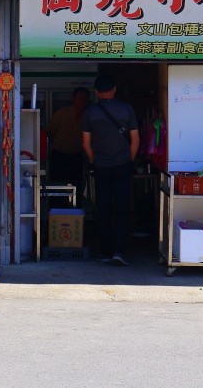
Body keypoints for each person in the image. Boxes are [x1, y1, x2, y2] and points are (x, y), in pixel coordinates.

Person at [82, 74, 139, 266]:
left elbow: (86, 143)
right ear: (114, 89)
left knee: (103, 208)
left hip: (101, 166)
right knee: (122, 208)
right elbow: (135, 140)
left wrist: (94, 160)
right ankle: (120, 250)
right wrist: (128, 160)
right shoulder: (126, 109)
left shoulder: (91, 112)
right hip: (122, 165)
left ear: (97, 92)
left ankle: (104, 251)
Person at [45, 86, 90, 196]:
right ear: (74, 98)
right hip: (59, 156)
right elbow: (49, 132)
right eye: (80, 97)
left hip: (77, 157)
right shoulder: (61, 113)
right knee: (57, 188)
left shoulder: (88, 116)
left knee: (77, 187)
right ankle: (55, 211)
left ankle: (75, 211)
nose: (82, 100)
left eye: (85, 98)